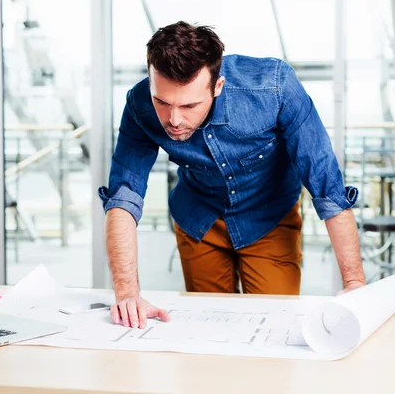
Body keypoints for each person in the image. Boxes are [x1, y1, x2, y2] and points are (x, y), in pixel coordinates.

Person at [98, 21, 365, 329]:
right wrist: (127, 294)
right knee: (209, 330)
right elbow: (123, 196)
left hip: (269, 219)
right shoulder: (139, 104)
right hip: (198, 218)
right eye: (162, 102)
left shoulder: (274, 87)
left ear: (218, 86)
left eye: (189, 105)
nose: (173, 120)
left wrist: (355, 281)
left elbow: (326, 187)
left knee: (274, 328)